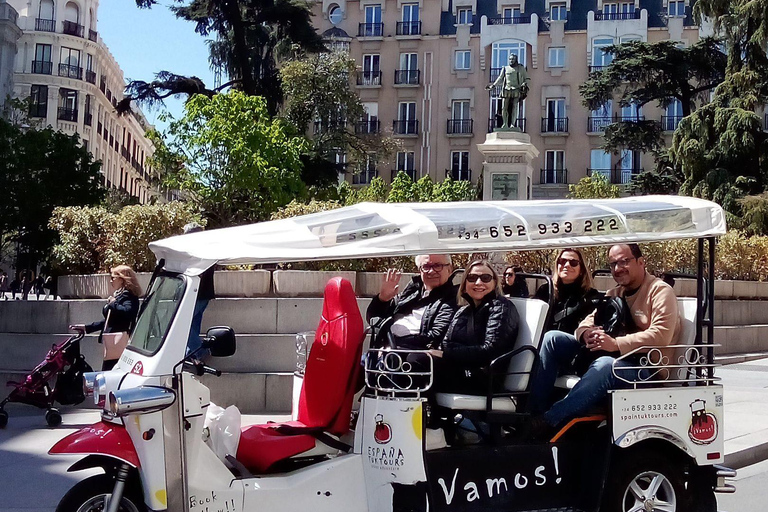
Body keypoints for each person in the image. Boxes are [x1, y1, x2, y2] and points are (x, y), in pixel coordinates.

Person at [529, 244, 680, 434]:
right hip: (613, 358)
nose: (618, 268)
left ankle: (548, 421)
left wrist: (615, 343)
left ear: (641, 262)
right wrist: (586, 334)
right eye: (613, 264)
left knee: (605, 365)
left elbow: (661, 334)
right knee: (552, 339)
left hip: (645, 368)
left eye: (624, 261)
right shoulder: (614, 294)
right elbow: (586, 322)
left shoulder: (660, 291)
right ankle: (533, 413)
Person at [431, 260, 520, 396]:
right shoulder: (463, 311)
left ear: (494, 282)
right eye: (472, 278)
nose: (478, 283)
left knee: (425, 365)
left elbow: (490, 350)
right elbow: (446, 343)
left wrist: (447, 354)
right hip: (461, 369)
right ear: (465, 283)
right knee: (416, 360)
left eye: (485, 278)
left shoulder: (501, 308)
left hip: (484, 377)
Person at [367, 254, 458, 350]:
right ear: (419, 270)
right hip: (387, 350)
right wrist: (382, 299)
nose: (431, 271)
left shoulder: (452, 299)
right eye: (426, 267)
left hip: (414, 356)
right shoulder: (410, 293)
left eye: (437, 266)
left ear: (449, 269)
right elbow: (373, 319)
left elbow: (434, 338)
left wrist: (394, 344)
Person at [70, 265, 142, 371]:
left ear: (122, 280)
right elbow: (110, 321)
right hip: (112, 343)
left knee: (110, 372)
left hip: (118, 342)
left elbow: (129, 312)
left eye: (113, 278)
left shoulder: (128, 296)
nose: (110, 281)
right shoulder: (119, 295)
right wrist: (87, 327)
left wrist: (114, 303)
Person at [534, 248, 602, 334]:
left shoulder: (591, 295)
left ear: (581, 269)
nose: (567, 265)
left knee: (552, 336)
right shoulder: (545, 290)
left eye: (573, 263)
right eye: (562, 261)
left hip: (573, 342)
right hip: (541, 342)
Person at [183, 222, 215, 356]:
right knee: (193, 325)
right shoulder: (206, 250)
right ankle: (192, 354)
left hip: (197, 293)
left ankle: (201, 351)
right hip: (203, 294)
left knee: (183, 324)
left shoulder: (199, 252)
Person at [486, 54, 530, 130]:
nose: (511, 61)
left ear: (516, 60)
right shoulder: (505, 68)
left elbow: (527, 78)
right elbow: (500, 78)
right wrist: (493, 86)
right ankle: (505, 124)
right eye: (510, 59)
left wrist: (524, 83)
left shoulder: (520, 68)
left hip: (516, 89)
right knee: (504, 108)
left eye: (512, 59)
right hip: (506, 89)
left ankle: (513, 124)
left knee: (514, 107)